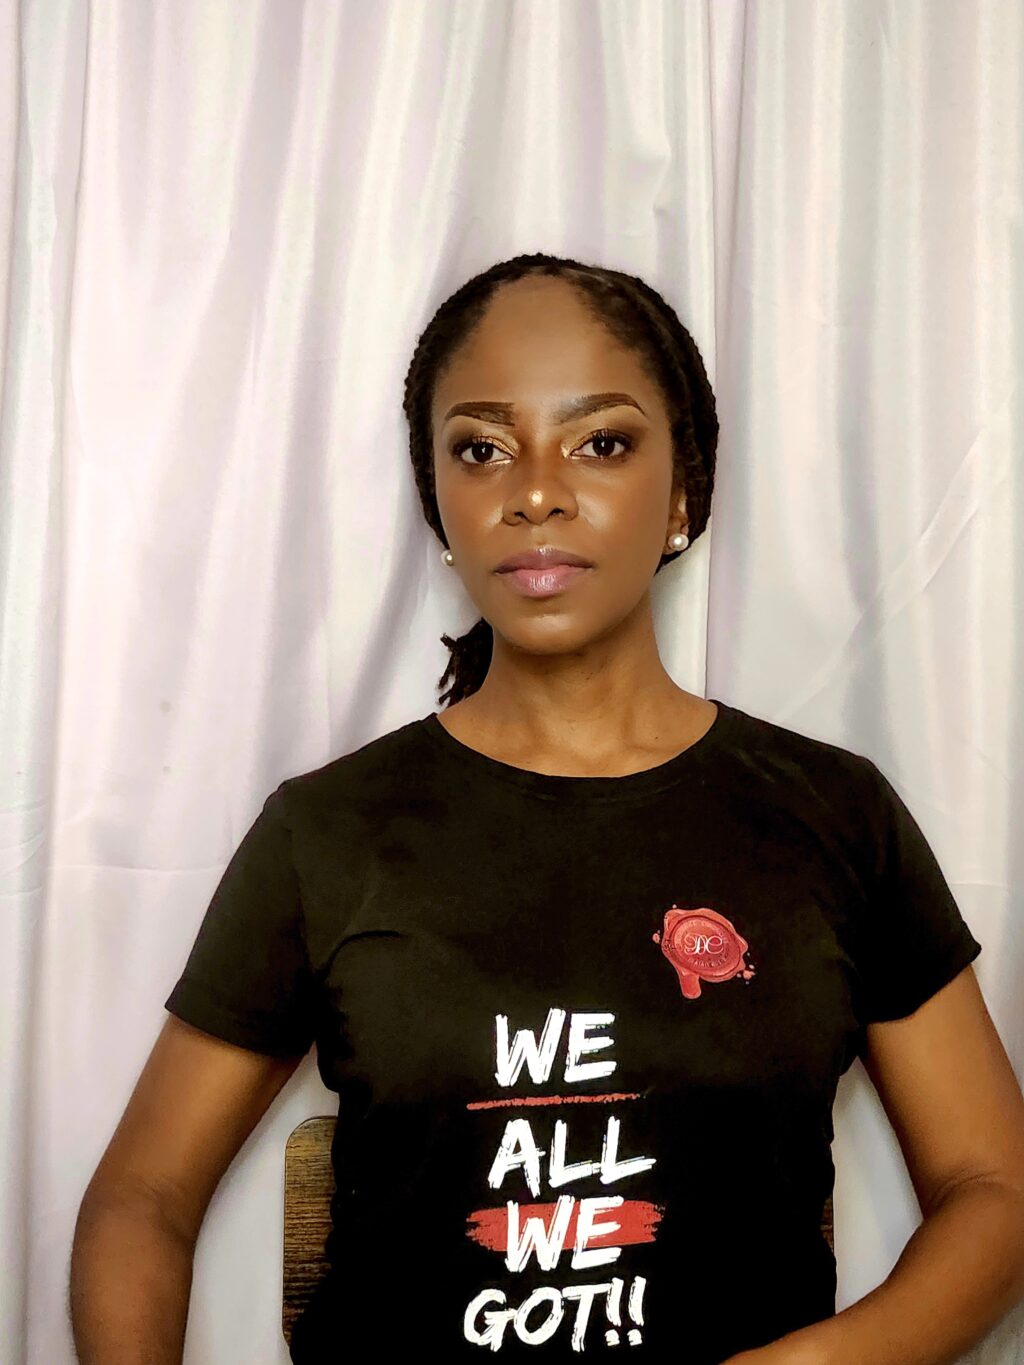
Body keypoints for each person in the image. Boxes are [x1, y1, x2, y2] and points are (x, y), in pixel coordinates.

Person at [70, 253, 1024, 1364]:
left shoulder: (831, 814)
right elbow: (141, 1195)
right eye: (479, 449)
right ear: (440, 507)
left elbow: (994, 1188)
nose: (533, 489)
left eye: (600, 442)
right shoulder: (326, 832)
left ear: (683, 493)